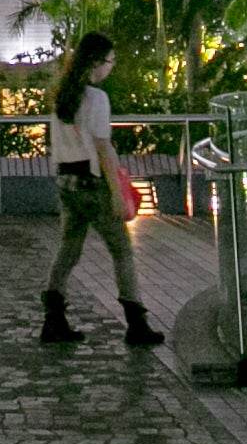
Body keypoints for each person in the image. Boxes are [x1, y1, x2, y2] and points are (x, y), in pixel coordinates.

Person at [37, 30, 163, 347]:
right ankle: (136, 323)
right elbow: (104, 149)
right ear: (97, 62)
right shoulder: (95, 98)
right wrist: (118, 195)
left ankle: (53, 319)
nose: (112, 67)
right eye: (111, 61)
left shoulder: (61, 96)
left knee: (69, 248)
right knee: (121, 250)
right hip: (92, 185)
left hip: (66, 180)